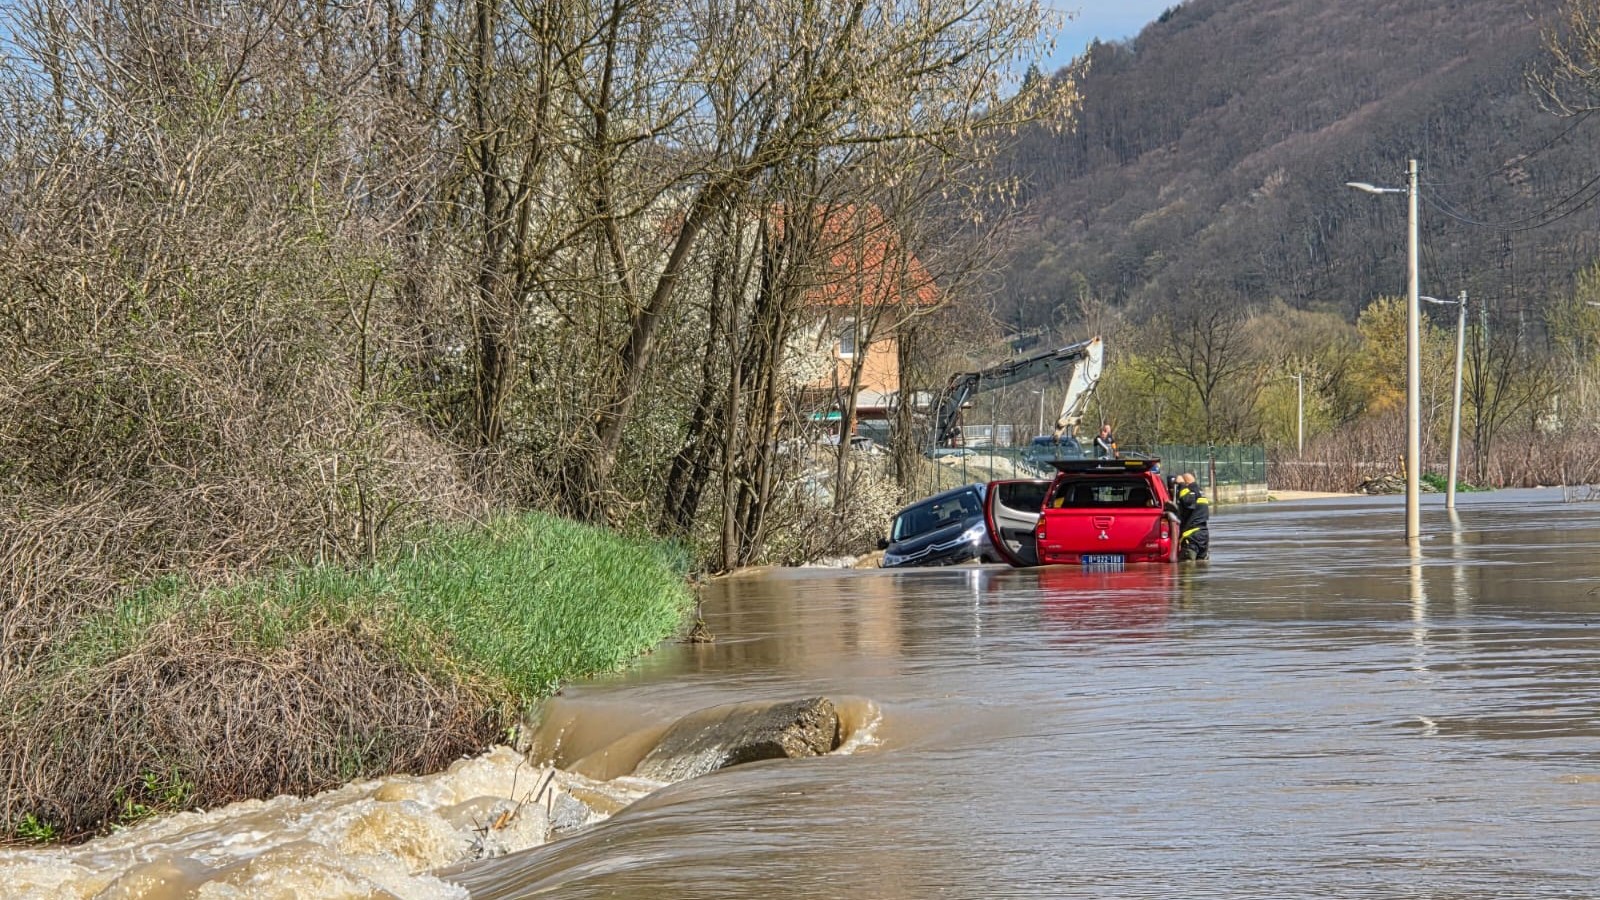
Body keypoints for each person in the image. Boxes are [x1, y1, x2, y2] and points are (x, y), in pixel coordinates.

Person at [1174, 472, 1211, 561]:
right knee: (1200, 566)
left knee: (1186, 567)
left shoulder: (1191, 493)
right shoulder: (1200, 492)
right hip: (1203, 536)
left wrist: (1181, 484)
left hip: (1192, 537)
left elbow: (1188, 502)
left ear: (1186, 483)